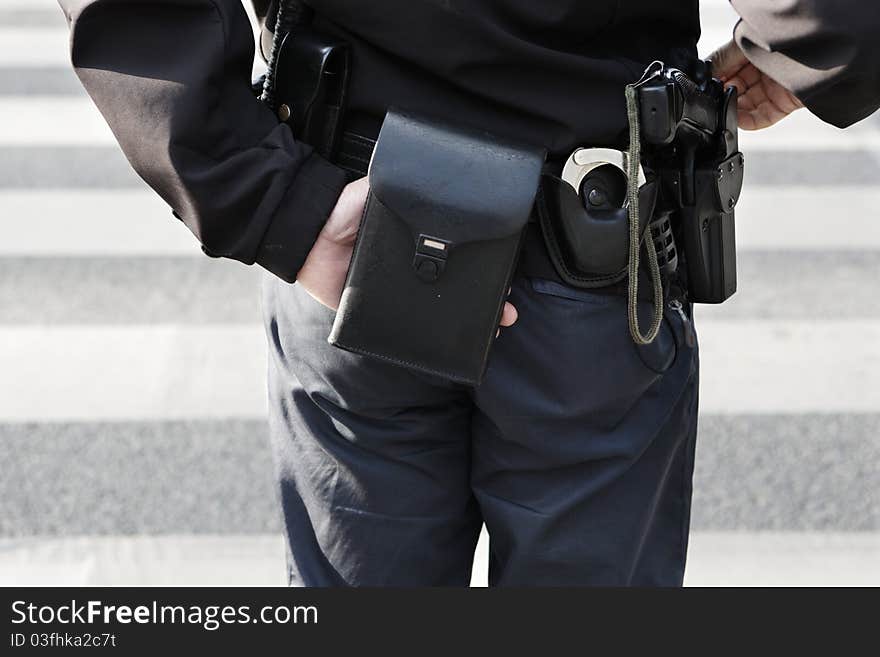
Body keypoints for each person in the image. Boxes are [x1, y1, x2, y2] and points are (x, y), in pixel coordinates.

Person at [58, 0, 880, 586]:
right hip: (590, 251)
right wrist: (800, 43)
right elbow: (834, 17)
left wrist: (278, 206)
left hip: (355, 232)